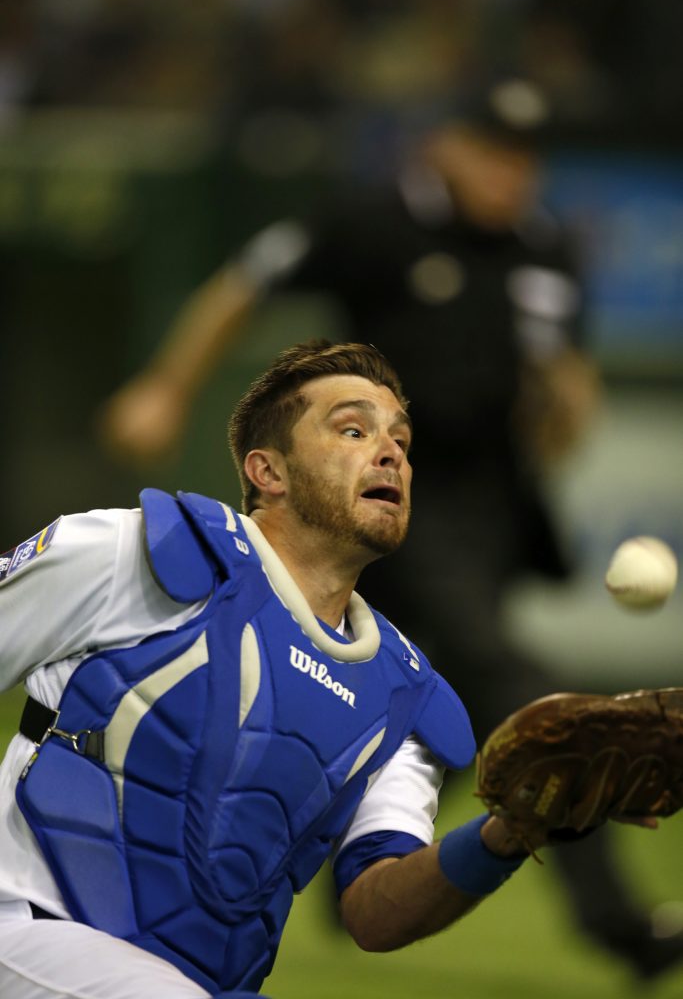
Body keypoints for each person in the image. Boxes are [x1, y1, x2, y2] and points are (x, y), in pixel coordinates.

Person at [97, 79, 683, 979]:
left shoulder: (544, 249)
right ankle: (623, 931)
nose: (509, 175)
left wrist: (567, 406)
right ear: (444, 147)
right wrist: (165, 387)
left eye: (524, 160)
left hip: (485, 505)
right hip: (380, 494)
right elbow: (241, 286)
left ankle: (369, 872)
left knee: (427, 713)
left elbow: (559, 372)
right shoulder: (373, 222)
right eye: (491, 152)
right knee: (533, 701)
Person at [0, 339, 606, 999]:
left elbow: (375, 914)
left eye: (401, 441)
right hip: (25, 932)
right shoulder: (144, 553)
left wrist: (510, 830)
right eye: (352, 428)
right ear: (268, 472)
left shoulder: (403, 697)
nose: (390, 453)